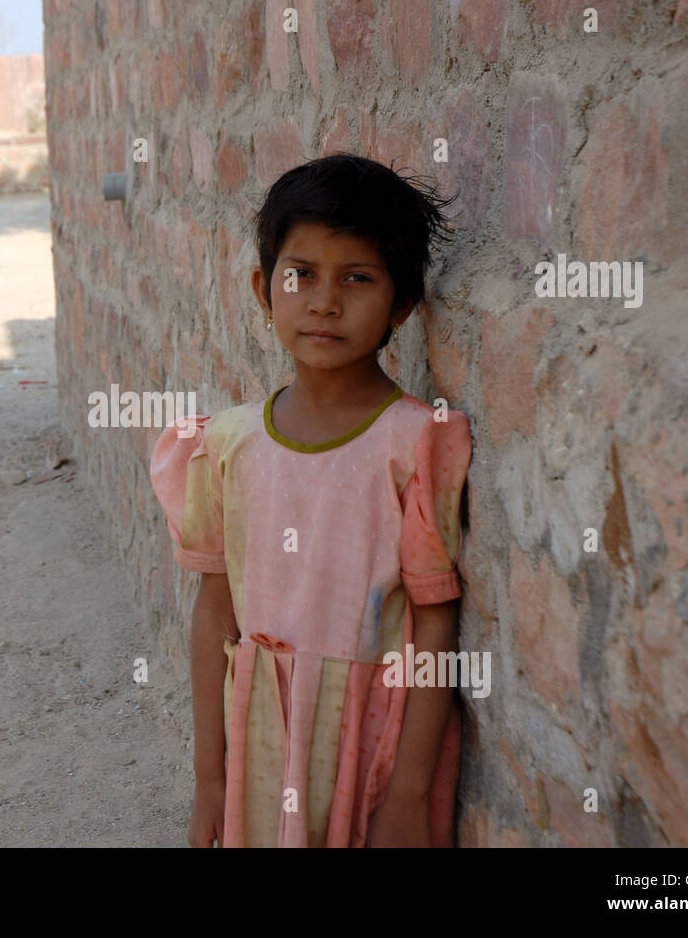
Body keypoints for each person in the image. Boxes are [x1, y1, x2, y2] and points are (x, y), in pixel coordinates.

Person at [150, 154, 471, 848]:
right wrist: (211, 779)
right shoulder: (225, 444)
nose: (325, 301)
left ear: (403, 305)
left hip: (373, 734)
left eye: (357, 278)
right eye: (302, 276)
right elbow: (215, 615)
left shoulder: (414, 442)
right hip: (261, 731)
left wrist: (410, 794)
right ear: (265, 291)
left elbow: (435, 623)